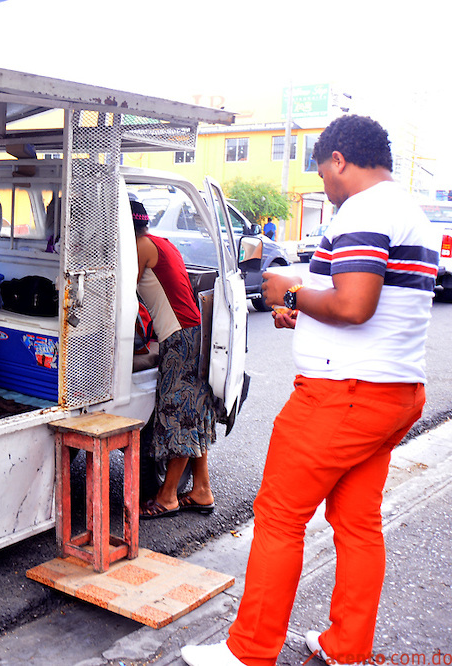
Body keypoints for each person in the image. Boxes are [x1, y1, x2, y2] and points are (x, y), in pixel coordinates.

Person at [181, 115, 439, 666]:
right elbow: (377, 305)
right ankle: (347, 646)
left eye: (323, 173)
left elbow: (353, 305)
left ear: (340, 159)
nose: (325, 184)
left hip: (343, 396)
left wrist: (293, 293)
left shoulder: (365, 210)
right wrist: (306, 316)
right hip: (392, 392)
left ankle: (248, 652)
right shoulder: (409, 211)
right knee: (357, 523)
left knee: (279, 515)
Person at [131, 199, 218, 520]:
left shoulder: (140, 247)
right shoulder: (160, 242)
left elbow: (123, 293)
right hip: (193, 333)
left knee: (179, 413)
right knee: (193, 411)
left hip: (180, 337)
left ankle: (167, 497)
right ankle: (202, 490)